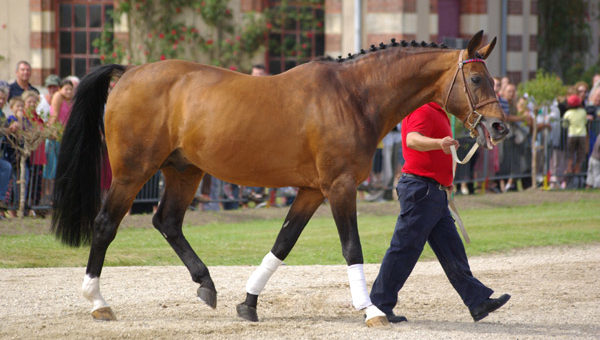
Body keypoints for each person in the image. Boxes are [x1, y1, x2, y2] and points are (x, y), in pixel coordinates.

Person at [369, 102, 510, 323]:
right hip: (422, 191)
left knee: (451, 249)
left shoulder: (438, 112)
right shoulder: (422, 108)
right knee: (404, 249)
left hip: (433, 192)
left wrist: (445, 181)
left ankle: (477, 301)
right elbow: (411, 140)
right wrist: (438, 143)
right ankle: (378, 305)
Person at [44, 79, 74, 204]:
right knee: (51, 169)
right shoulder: (57, 96)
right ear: (60, 89)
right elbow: (54, 116)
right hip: (55, 137)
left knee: (60, 169)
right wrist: (51, 131)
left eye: (71, 89)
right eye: (66, 88)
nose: (68, 91)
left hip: (64, 138)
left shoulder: (70, 101)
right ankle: (48, 198)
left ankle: (57, 198)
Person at [563, 94, 590, 187]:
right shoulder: (583, 112)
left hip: (571, 135)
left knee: (570, 155)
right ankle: (577, 171)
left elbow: (565, 125)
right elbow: (585, 122)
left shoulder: (568, 113)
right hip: (582, 135)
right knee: (580, 156)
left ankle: (569, 171)